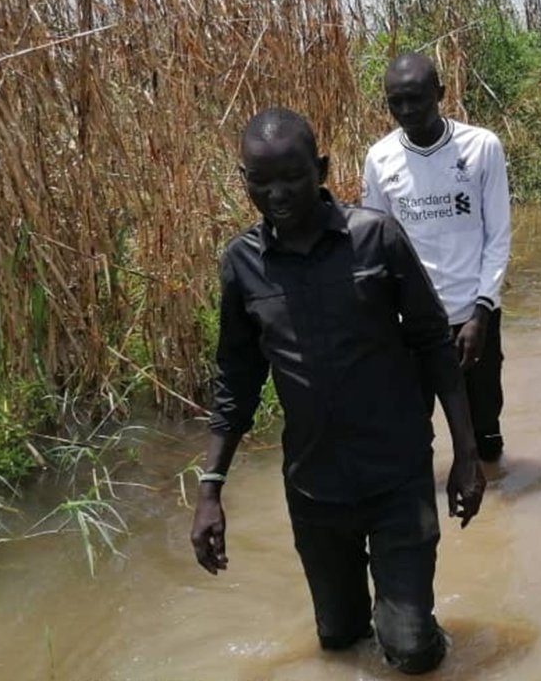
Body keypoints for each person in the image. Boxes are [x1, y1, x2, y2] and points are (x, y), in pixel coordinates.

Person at [191, 108, 485, 675]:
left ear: (321, 169)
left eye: (292, 176)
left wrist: (467, 455)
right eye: (260, 180)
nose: (276, 193)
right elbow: (236, 379)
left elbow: (433, 347)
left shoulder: (376, 239)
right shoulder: (242, 265)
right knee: (339, 641)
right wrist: (211, 489)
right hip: (314, 489)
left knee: (412, 651)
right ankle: (388, 616)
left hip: (396, 476)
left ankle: (418, 625)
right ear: (244, 179)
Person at [361, 53, 512, 463]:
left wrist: (482, 311)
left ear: (440, 94)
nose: (407, 111)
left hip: (473, 315)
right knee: (411, 434)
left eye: (417, 99)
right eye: (397, 102)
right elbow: (375, 244)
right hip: (411, 322)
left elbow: (497, 236)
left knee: (485, 433)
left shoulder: (482, 147)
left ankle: (496, 512)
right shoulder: (380, 158)